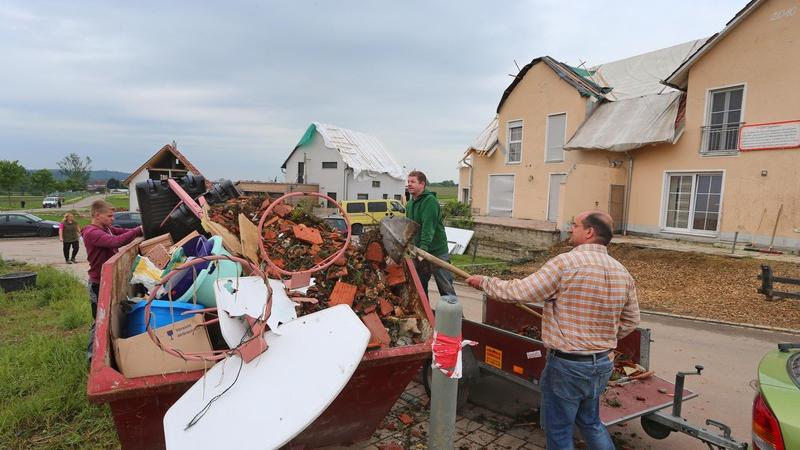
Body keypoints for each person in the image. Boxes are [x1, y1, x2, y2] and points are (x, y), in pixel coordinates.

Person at [466, 211, 639, 450]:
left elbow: (520, 292)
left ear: (589, 232)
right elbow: (631, 320)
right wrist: (602, 336)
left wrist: (484, 282)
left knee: (558, 429)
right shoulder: (622, 272)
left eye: (575, 225)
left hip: (568, 367)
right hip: (601, 364)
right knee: (590, 422)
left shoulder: (566, 263)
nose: (570, 228)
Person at [82, 200, 143, 360]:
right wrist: (138, 230)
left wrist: (138, 232)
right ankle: (92, 356)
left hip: (105, 281)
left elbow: (121, 232)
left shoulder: (106, 228)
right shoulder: (92, 233)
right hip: (97, 283)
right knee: (99, 320)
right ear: (97, 215)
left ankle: (105, 350)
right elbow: (116, 241)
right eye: (109, 216)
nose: (112, 219)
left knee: (107, 318)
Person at [405, 170, 456, 299]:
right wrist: (408, 245)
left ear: (422, 184)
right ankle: (426, 317)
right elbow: (410, 227)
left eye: (413, 182)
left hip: (437, 252)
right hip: (420, 251)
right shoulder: (410, 204)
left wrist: (423, 249)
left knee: (446, 289)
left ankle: (455, 318)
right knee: (420, 288)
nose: (409, 184)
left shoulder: (430, 201)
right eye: (408, 181)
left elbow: (429, 227)